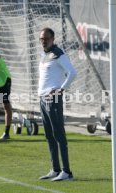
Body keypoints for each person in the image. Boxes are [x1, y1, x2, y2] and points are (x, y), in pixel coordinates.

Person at [38, 28, 77, 181]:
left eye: (46, 38)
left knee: (59, 134)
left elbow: (72, 72)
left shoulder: (58, 54)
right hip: (42, 99)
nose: (43, 41)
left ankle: (67, 172)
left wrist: (60, 91)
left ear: (53, 39)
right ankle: (55, 169)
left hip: (53, 99)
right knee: (49, 135)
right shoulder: (44, 55)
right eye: (41, 38)